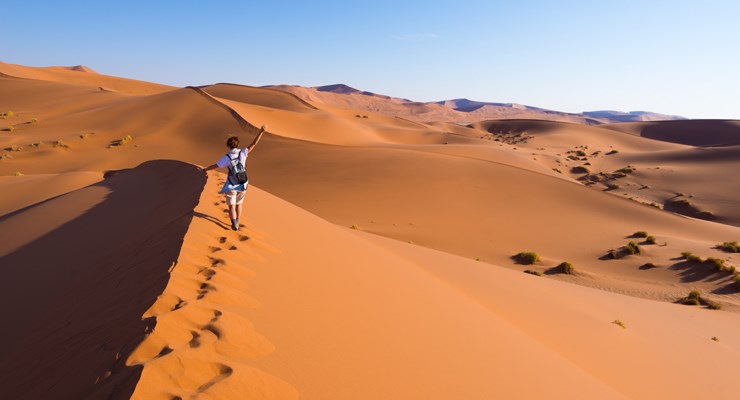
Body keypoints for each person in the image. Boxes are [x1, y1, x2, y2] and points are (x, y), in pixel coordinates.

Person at [202, 125, 266, 230]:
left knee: (231, 206)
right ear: (237, 144)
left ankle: (234, 224)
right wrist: (261, 132)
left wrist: (205, 169)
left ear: (228, 145)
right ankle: (238, 221)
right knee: (239, 204)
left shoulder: (227, 157)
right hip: (243, 182)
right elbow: (254, 144)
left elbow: (216, 166)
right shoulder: (243, 152)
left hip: (231, 183)